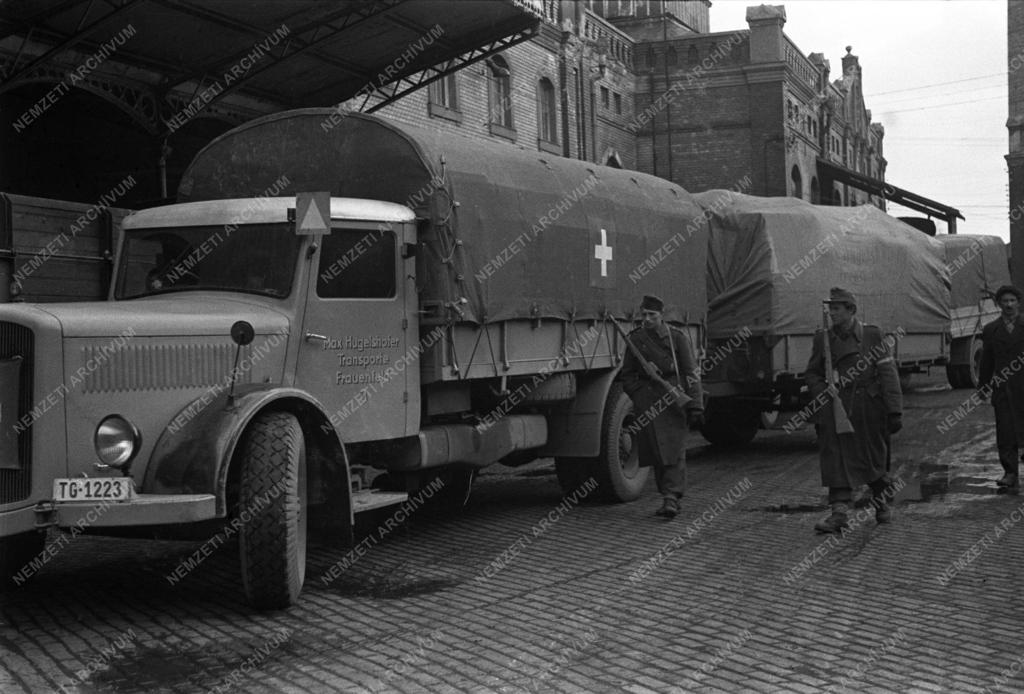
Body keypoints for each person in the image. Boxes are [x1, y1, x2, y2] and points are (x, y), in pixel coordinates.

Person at [804, 287, 902, 533]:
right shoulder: (822, 338)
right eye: (830, 309)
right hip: (836, 409)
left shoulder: (872, 335)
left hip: (868, 408)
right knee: (836, 460)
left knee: (872, 460)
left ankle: (881, 504)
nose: (832, 313)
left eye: (837, 309)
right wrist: (824, 393)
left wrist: (894, 410)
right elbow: (812, 372)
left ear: (851, 310)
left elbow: (888, 373)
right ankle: (839, 514)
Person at [618, 294, 705, 519]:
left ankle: (671, 497)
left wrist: (695, 405)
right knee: (656, 451)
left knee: (673, 449)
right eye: (643, 314)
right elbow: (627, 375)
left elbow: (691, 372)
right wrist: (639, 395)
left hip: (673, 400)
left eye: (652, 315)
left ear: (661, 315)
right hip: (647, 401)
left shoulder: (676, 338)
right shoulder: (635, 340)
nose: (647, 319)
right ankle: (667, 495)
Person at [978, 284, 1024, 491]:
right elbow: (986, 361)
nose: (1009, 305)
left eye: (1012, 301)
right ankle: (1010, 473)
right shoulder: (990, 330)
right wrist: (983, 386)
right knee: (1005, 432)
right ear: (998, 304)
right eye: (1004, 301)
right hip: (1003, 389)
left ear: (1018, 303)